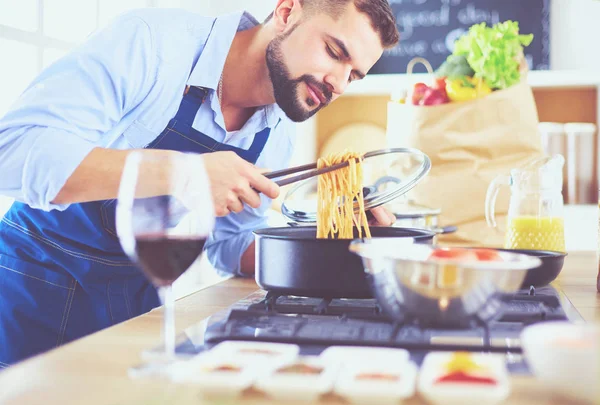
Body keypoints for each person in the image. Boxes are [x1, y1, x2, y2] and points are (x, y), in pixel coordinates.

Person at [0, 0, 399, 367]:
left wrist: (338, 239)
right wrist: (186, 175)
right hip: (32, 284)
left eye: (354, 75)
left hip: (134, 304)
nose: (340, 84)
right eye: (334, 52)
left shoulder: (276, 133)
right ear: (287, 11)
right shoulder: (154, 42)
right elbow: (14, 151)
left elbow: (230, 244)